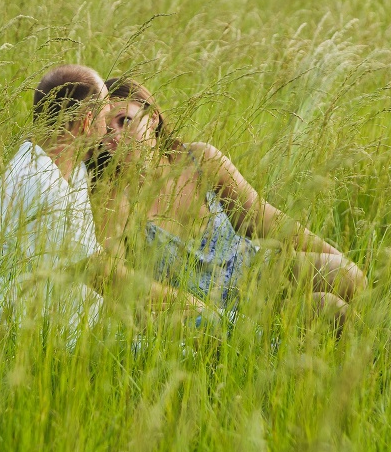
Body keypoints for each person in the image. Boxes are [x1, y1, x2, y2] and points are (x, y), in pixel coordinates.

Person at [88, 78, 367, 330]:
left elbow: (265, 219)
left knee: (348, 276)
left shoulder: (199, 159)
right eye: (106, 128)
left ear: (153, 119)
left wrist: (340, 257)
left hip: (259, 271)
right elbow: (113, 277)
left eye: (125, 121)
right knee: (328, 308)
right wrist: (183, 305)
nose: (115, 136)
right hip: (206, 307)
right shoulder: (112, 199)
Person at [0, 65, 203, 346]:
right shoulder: (40, 183)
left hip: (85, 322)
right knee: (204, 333)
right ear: (85, 123)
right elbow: (101, 274)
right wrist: (188, 303)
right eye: (106, 116)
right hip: (42, 339)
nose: (109, 128)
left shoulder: (70, 169)